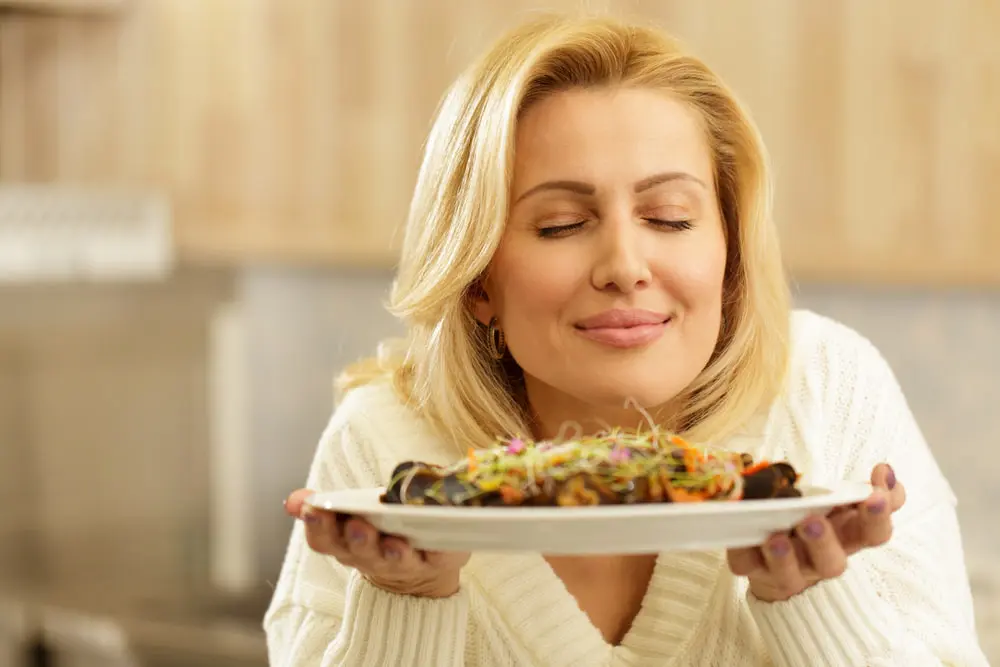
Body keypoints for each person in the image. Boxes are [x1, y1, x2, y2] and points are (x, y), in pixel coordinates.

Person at [264, 13, 988, 667]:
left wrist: (814, 601)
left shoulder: (827, 389)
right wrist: (409, 600)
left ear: (729, 250)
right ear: (479, 279)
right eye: (560, 225)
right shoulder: (386, 450)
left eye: (670, 218)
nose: (624, 267)